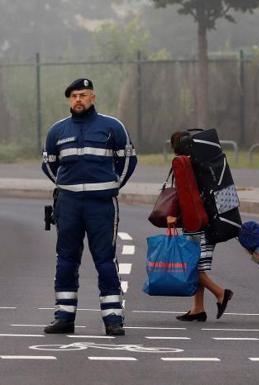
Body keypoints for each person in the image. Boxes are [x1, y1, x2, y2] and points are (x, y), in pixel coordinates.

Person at [41, 78, 137, 336]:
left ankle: (113, 318)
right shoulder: (57, 131)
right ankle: (64, 317)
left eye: (83, 95)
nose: (78, 100)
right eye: (73, 96)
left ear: (92, 96)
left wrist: (113, 184)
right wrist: (65, 185)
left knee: (105, 259)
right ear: (69, 100)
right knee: (66, 260)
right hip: (69, 205)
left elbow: (128, 159)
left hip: (101, 205)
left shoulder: (111, 126)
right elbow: (49, 164)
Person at [167, 131, 233, 322]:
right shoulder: (202, 162)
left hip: (196, 221)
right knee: (197, 265)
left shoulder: (183, 164)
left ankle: (221, 293)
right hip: (211, 219)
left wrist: (172, 214)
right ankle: (198, 309)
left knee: (191, 266)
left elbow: (182, 194)